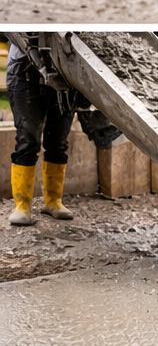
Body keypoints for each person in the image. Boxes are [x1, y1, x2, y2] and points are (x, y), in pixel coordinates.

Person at [6, 40, 120, 226]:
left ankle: (53, 202)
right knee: (27, 141)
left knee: (58, 142)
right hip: (24, 73)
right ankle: (22, 205)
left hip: (64, 76)